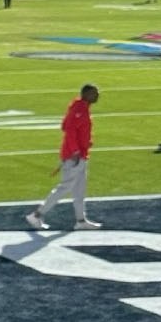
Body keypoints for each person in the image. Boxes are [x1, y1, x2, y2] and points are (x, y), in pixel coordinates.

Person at [25, 83, 102, 231]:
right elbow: (69, 129)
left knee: (80, 190)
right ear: (86, 94)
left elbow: (67, 126)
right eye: (94, 93)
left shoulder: (80, 108)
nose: (98, 96)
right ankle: (37, 214)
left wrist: (85, 143)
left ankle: (80, 220)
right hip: (75, 157)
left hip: (80, 155)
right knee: (65, 187)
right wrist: (74, 151)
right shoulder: (79, 109)